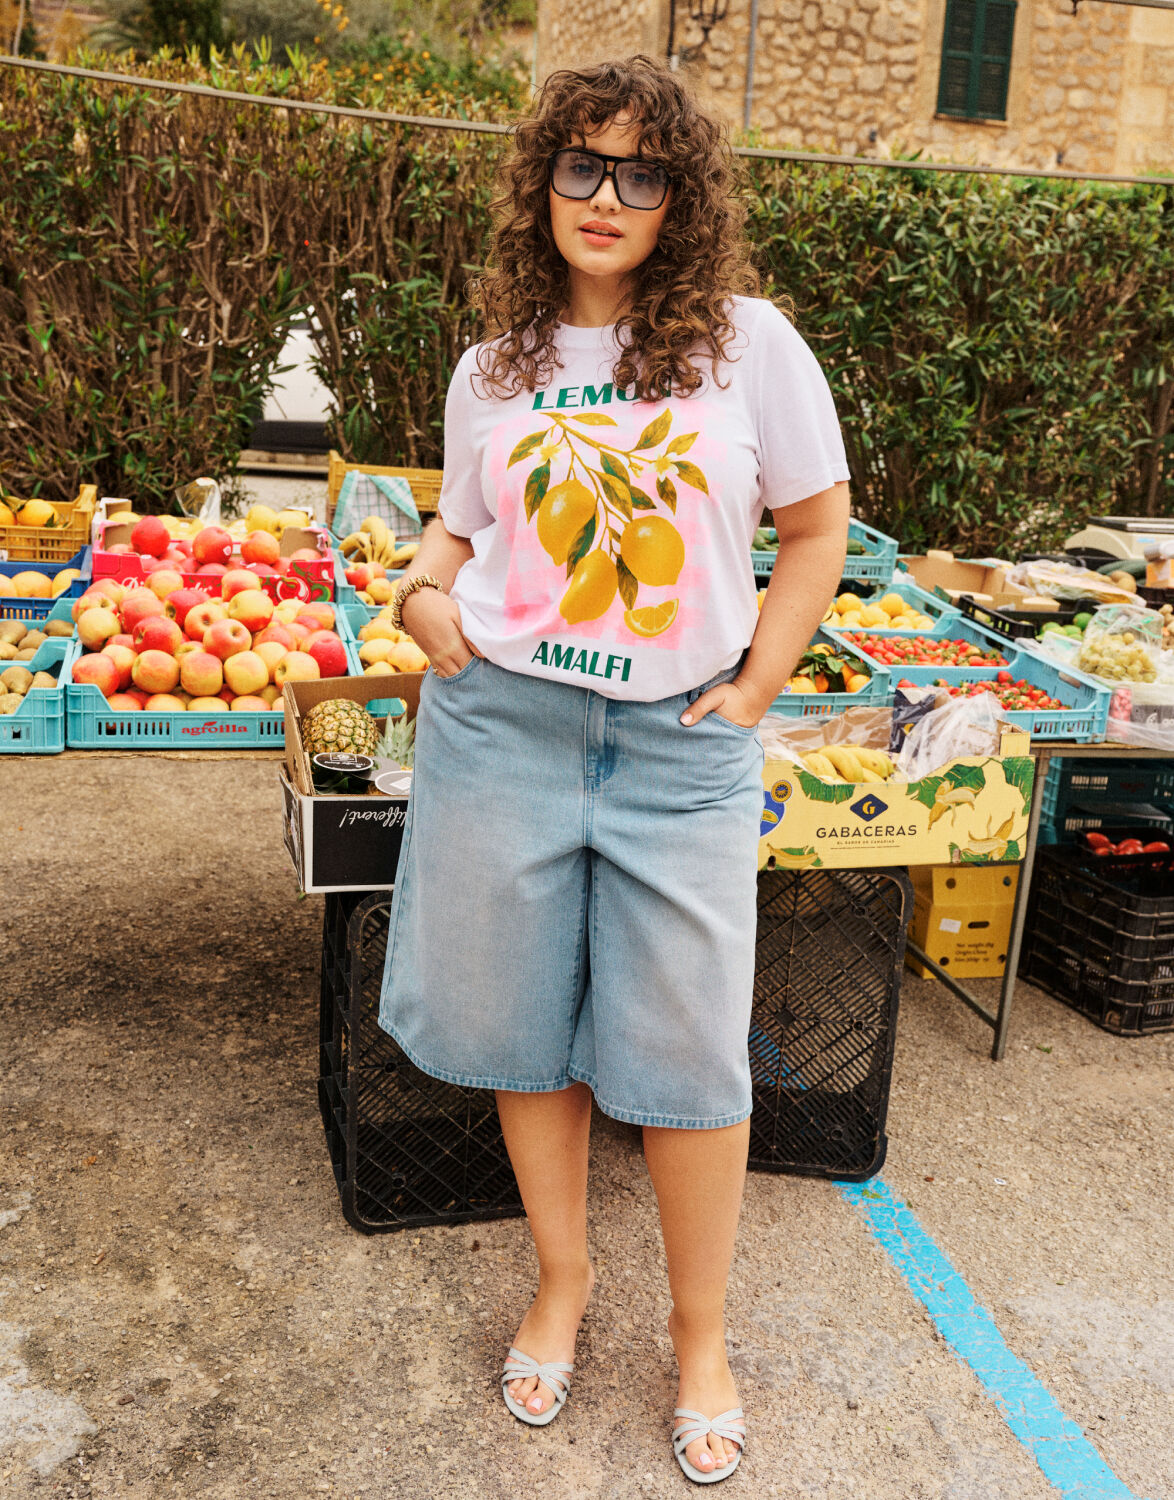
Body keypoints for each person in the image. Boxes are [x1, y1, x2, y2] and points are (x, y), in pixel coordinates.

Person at [378, 54, 850, 1484]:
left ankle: (699, 1338)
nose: (604, 196)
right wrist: (420, 596)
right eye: (580, 166)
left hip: (676, 746)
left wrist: (755, 683)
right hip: (504, 726)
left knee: (689, 1055)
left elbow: (815, 531)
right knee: (525, 1033)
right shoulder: (493, 369)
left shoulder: (748, 346)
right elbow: (455, 533)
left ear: (679, 198)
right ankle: (563, 1284)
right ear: (542, 183)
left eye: (641, 173)